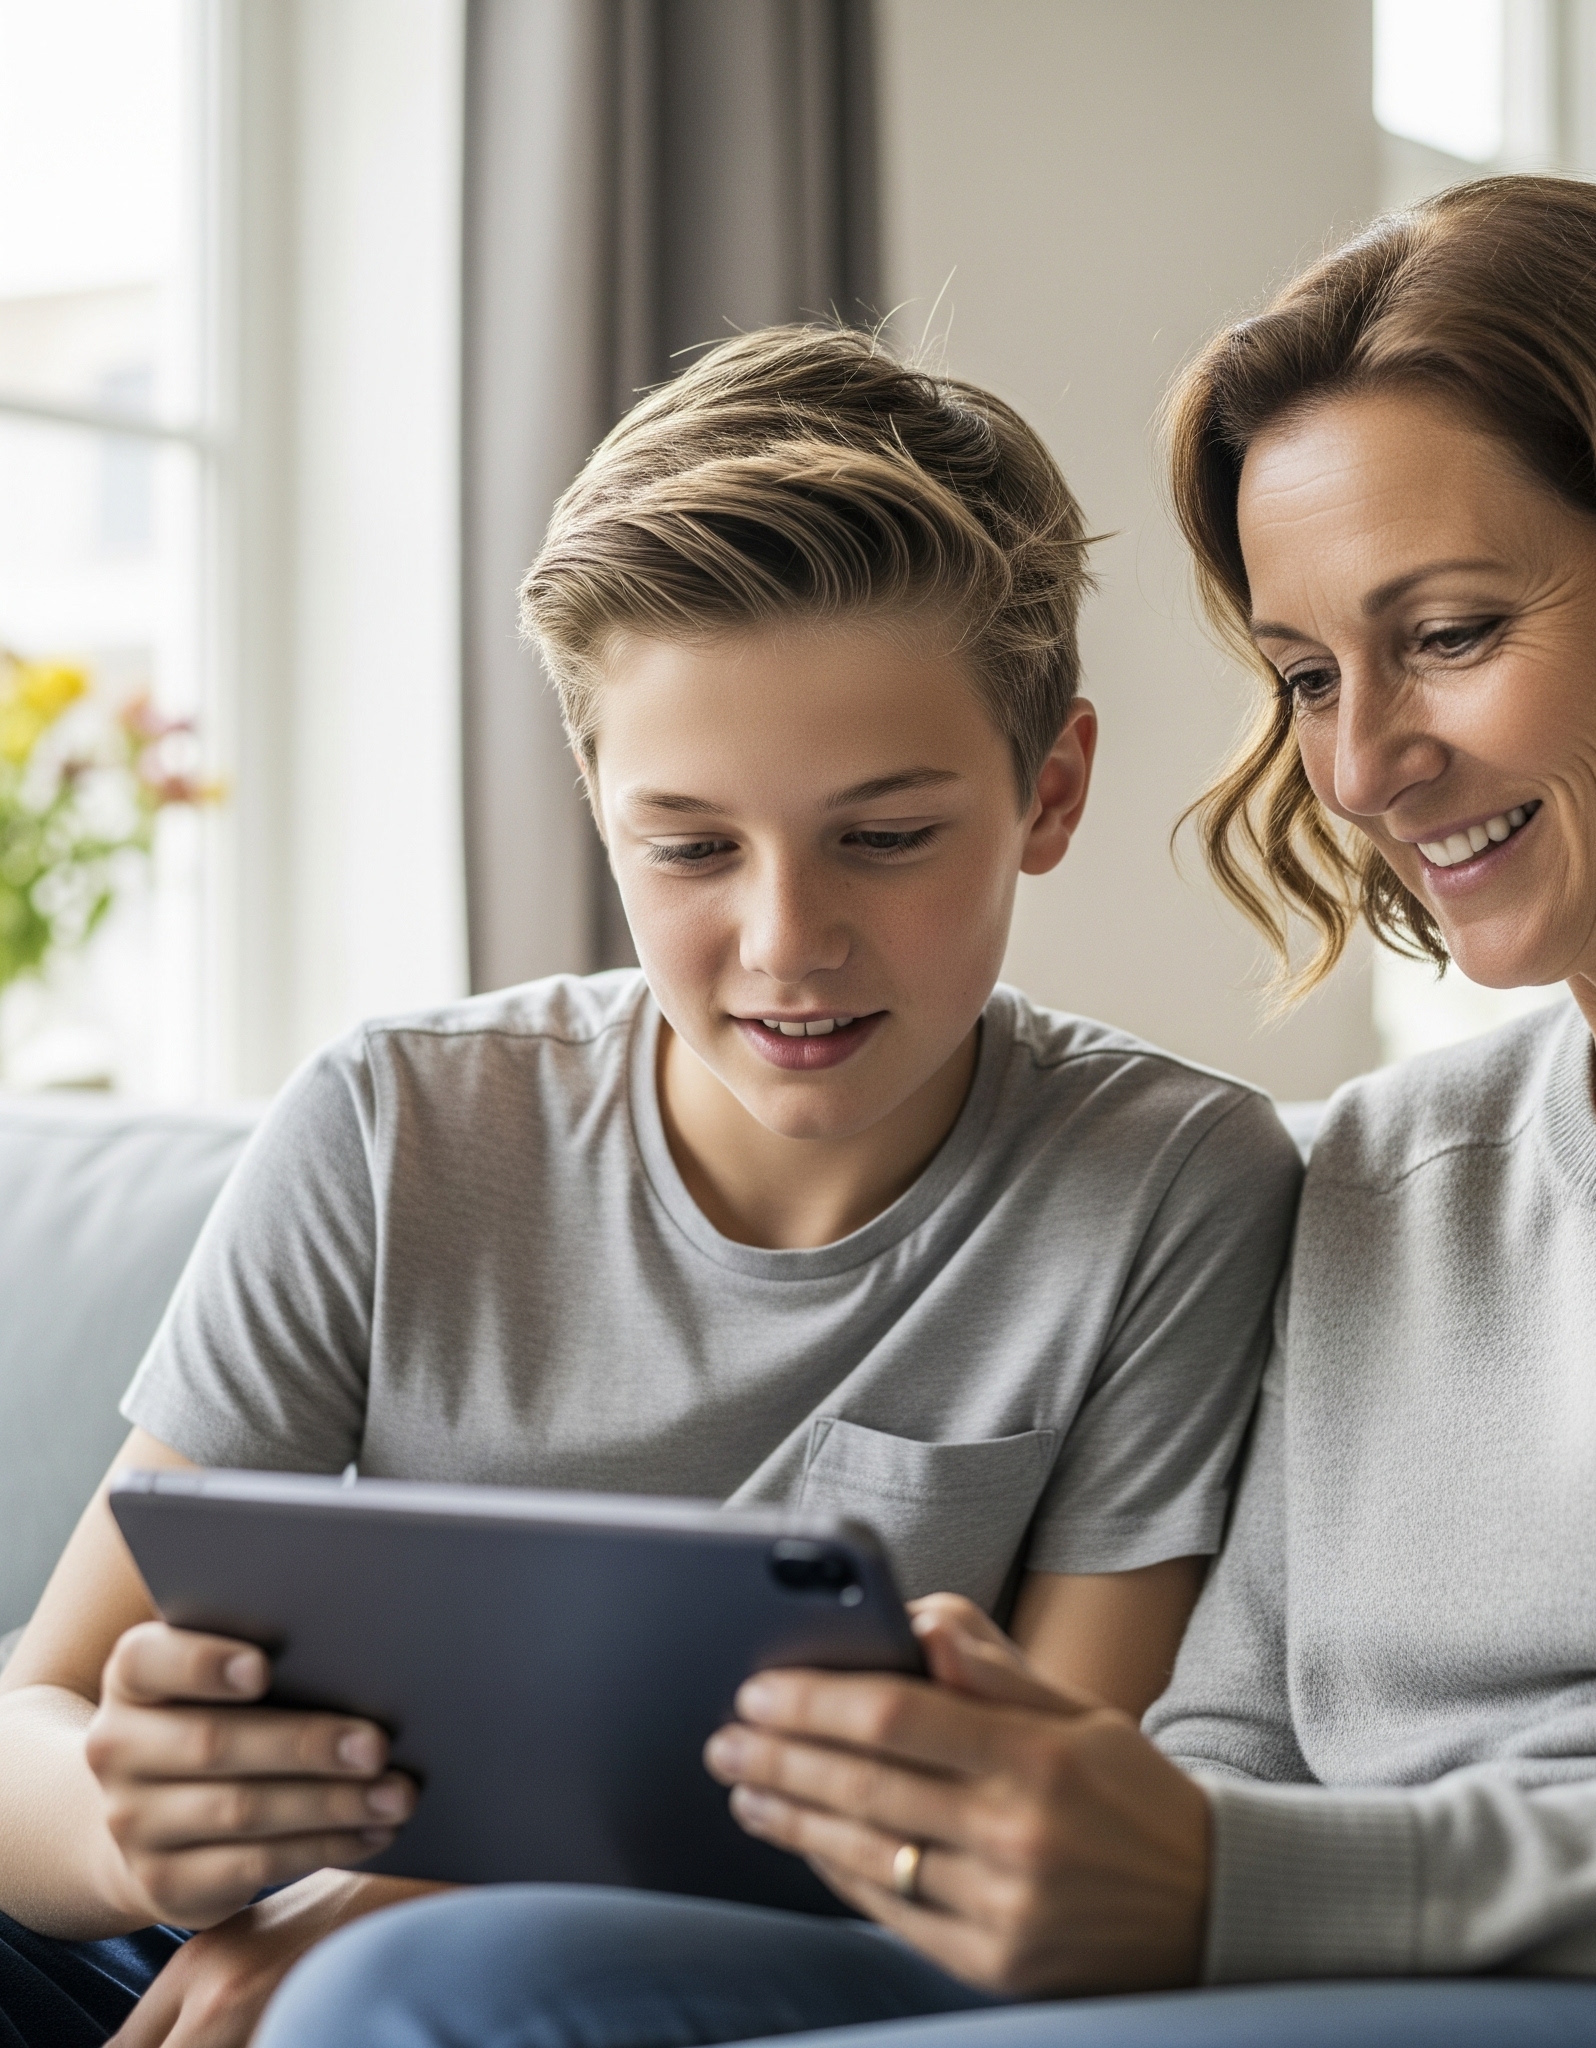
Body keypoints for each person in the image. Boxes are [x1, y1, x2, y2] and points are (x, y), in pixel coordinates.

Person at [256, 175, 1596, 2048]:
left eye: (1444, 635)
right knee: (446, 1982)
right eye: (1302, 676)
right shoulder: (1371, 1175)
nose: (1361, 766)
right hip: (1320, 1975)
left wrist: (1256, 1889)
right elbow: (1223, 1744)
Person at [0, 327, 1303, 2047]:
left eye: (886, 835)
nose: (787, 942)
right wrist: (143, 1837)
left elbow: (1048, 1824)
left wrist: (398, 1902)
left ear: (1046, 791)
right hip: (214, 1944)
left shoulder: (1169, 1185)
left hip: (660, 1967)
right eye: (690, 847)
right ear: (599, 805)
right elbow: (39, 1710)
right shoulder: (396, 1126)